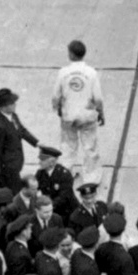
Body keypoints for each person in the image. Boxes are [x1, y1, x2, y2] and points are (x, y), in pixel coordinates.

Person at [53, 40, 103, 183]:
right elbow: (98, 98)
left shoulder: (63, 73)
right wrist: (101, 112)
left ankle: (64, 175)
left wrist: (58, 109)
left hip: (69, 116)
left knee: (68, 146)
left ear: (70, 54)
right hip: (87, 116)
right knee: (90, 147)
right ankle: (91, 178)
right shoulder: (91, 73)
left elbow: (56, 95)